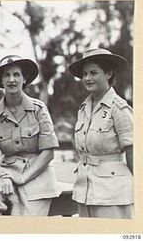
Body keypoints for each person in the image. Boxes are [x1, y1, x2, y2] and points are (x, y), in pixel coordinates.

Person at [0, 55, 61, 215]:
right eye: (6, 75)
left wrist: (23, 178)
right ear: (1, 80)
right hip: (6, 169)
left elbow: (48, 153)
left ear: (24, 79)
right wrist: (2, 175)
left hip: (36, 173)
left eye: (16, 74)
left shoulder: (38, 109)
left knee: (25, 225)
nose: (11, 79)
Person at [68, 48, 133, 218]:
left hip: (113, 193)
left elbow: (133, 151)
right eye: (85, 74)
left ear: (109, 74)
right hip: (84, 190)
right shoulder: (84, 109)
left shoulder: (119, 108)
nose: (87, 78)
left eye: (94, 73)